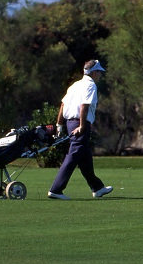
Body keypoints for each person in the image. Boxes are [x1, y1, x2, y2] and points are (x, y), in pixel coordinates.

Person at [48, 59, 113, 200]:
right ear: (94, 72)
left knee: (85, 157)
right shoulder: (91, 86)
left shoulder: (75, 85)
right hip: (80, 123)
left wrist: (59, 125)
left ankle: (97, 188)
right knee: (74, 153)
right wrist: (82, 126)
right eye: (99, 72)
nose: (100, 75)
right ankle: (56, 189)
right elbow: (84, 106)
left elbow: (63, 105)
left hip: (70, 123)